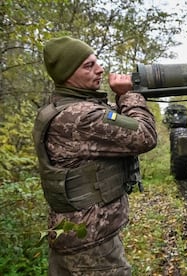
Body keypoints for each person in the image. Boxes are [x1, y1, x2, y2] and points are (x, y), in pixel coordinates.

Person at [32, 36, 157, 275]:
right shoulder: (82, 116)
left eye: (96, 62)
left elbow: (114, 121)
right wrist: (128, 95)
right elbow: (144, 135)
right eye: (88, 65)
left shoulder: (58, 107)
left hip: (72, 234)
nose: (100, 69)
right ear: (67, 74)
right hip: (92, 246)